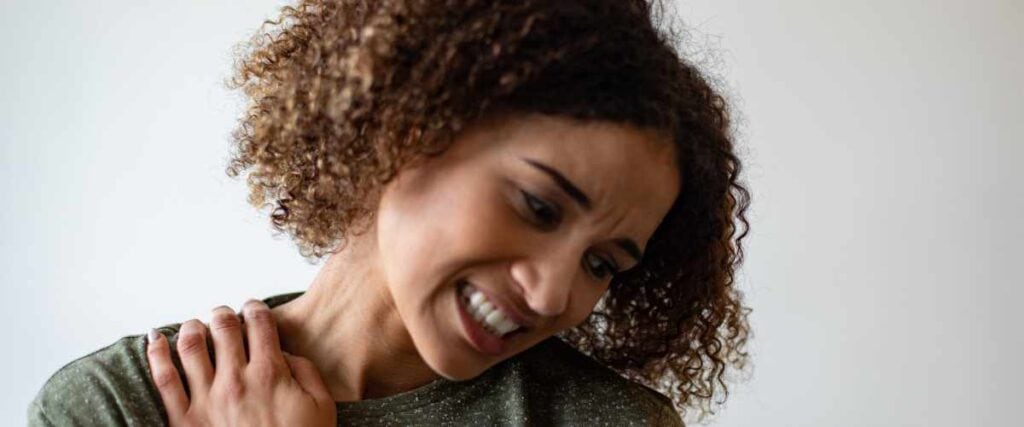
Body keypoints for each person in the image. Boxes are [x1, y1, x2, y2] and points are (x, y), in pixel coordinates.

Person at [28, 0, 752, 425]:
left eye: (603, 263)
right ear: (406, 129)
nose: (555, 294)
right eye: (538, 206)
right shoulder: (117, 404)